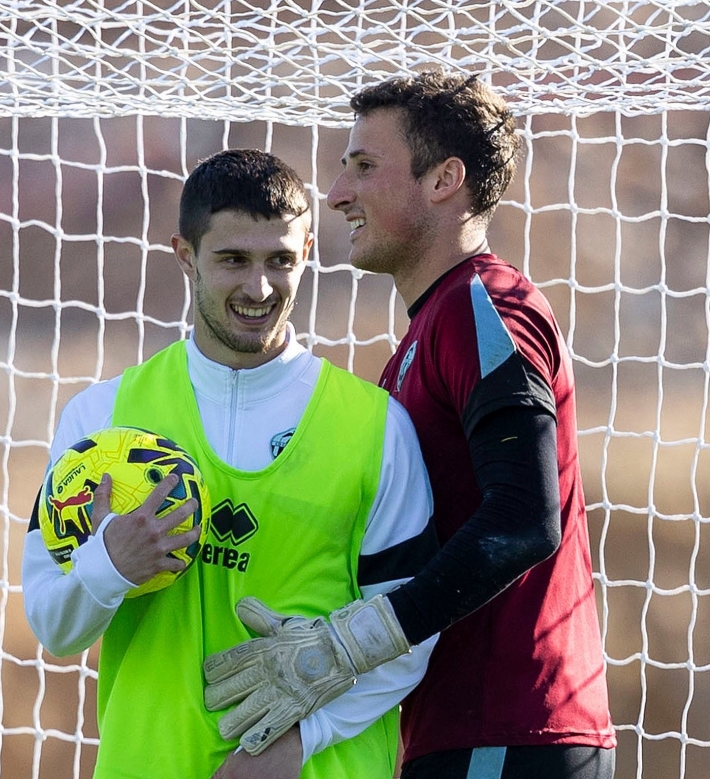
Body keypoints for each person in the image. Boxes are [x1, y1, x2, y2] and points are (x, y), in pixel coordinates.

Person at [203, 72, 617, 778]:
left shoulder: (485, 308)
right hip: (469, 736)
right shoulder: (426, 335)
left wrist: (356, 640)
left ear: (444, 180)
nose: (337, 193)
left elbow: (524, 515)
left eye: (364, 166)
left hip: (512, 734)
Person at [20, 149, 438, 779]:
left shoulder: (377, 429)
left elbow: (412, 637)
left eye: (280, 261)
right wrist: (110, 565)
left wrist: (294, 744)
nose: (259, 287)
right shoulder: (100, 422)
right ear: (186, 256)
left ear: (306, 256)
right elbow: (53, 626)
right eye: (233, 260)